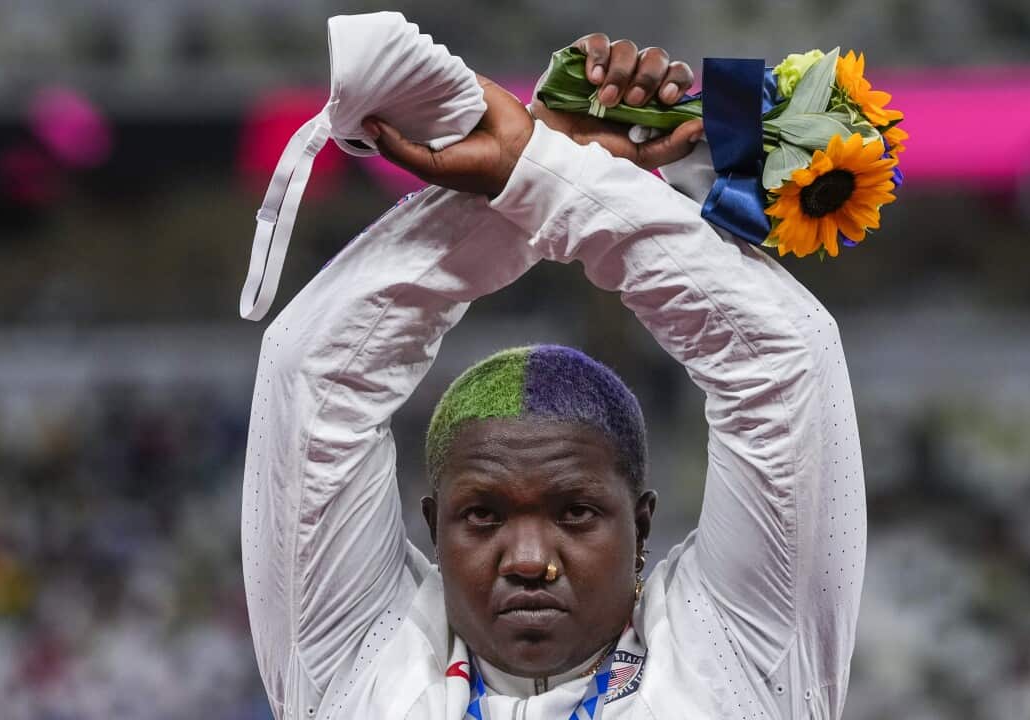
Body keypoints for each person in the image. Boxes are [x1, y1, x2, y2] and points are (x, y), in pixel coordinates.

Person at [241, 34, 867, 719]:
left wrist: (538, 173)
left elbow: (782, 359)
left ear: (642, 524)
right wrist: (547, 169)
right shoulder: (358, 656)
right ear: (433, 527)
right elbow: (316, 371)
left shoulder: (739, 650)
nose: (530, 560)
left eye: (577, 512)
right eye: (482, 516)